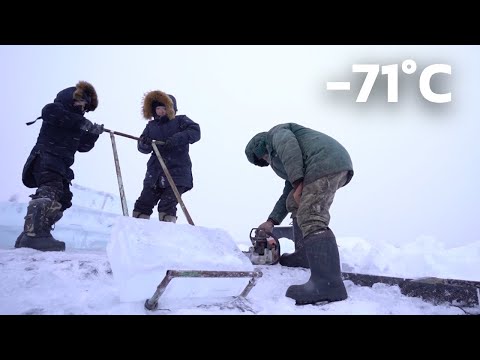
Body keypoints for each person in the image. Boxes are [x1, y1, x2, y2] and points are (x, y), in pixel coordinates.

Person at [245, 123, 354, 305]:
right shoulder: (293, 164)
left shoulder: (276, 134)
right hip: (328, 162)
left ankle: (329, 284)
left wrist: (297, 183)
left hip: (323, 162)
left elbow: (288, 145)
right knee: (293, 202)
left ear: (261, 147)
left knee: (311, 214)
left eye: (264, 158)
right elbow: (286, 195)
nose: (268, 162)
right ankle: (304, 254)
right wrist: (271, 221)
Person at [15, 81, 104, 252]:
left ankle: (32, 232)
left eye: (85, 106)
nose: (83, 108)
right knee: (50, 191)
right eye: (82, 103)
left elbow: (83, 147)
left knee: (63, 199)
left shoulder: (76, 122)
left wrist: (93, 134)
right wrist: (81, 123)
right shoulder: (54, 109)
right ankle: (35, 236)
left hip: (61, 165)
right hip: (46, 159)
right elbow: (58, 116)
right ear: (73, 99)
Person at [132, 90, 200, 223]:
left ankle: (166, 230)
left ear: (171, 109)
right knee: (144, 201)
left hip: (177, 172)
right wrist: (144, 143)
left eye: (164, 108)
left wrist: (177, 139)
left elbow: (195, 131)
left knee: (167, 204)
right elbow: (142, 148)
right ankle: (137, 229)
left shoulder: (180, 121)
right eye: (158, 108)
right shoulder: (151, 127)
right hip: (155, 173)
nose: (161, 111)